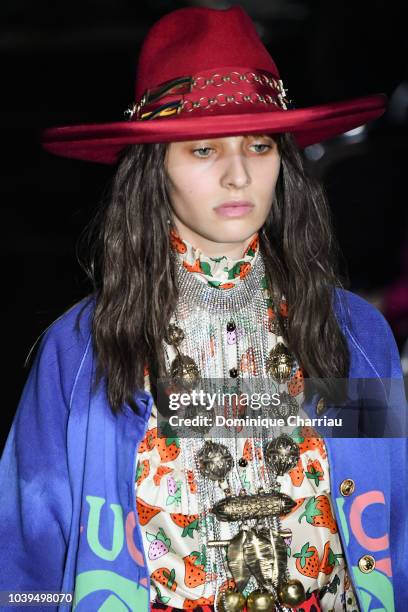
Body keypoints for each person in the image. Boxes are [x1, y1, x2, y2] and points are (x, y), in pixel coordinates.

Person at [1, 5, 407, 612]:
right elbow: (26, 558)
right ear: (153, 169)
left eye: (259, 145)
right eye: (202, 150)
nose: (239, 174)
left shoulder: (355, 334)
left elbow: (392, 520)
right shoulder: (82, 350)